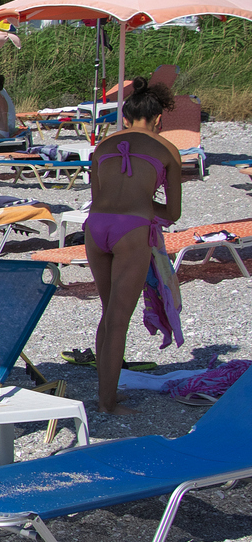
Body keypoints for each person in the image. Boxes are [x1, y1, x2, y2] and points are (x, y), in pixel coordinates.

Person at [84, 80, 183, 417]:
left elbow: (98, 199)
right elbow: (172, 213)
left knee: (108, 311)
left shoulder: (103, 146)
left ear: (124, 119)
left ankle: (106, 392)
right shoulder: (167, 149)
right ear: (158, 119)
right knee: (118, 319)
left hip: (96, 227)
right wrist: (142, 204)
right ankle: (107, 403)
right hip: (131, 230)